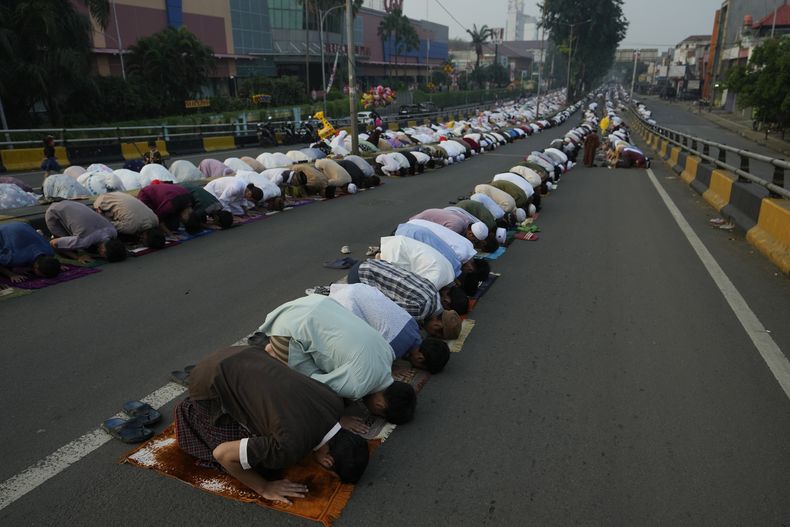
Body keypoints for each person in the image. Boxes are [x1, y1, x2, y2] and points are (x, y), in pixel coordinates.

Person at [175, 346, 370, 504]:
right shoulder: (289, 448)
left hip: (246, 353)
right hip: (208, 380)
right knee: (256, 467)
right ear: (328, 461)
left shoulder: (335, 403)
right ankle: (188, 409)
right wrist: (264, 487)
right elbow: (222, 454)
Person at [258, 295, 417, 423]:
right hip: (287, 329)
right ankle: (275, 352)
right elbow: (314, 386)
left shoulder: (389, 354)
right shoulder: (358, 387)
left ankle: (277, 352)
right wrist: (339, 420)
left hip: (315, 301)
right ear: (380, 405)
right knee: (305, 383)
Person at [328, 283, 452, 373]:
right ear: (420, 358)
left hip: (360, 288)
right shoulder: (393, 351)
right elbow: (373, 365)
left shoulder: (414, 326)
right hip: (345, 303)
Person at [45, 201, 127, 263]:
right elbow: (52, 244)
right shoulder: (84, 241)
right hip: (54, 212)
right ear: (103, 252)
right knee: (67, 245)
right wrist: (77, 257)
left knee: (80, 241)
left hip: (72, 203)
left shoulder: (113, 232)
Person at [377, 235, 455, 290]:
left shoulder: (451, 274)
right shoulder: (434, 282)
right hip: (397, 251)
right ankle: (380, 258)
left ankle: (381, 255)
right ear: (447, 299)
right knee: (390, 277)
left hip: (402, 243)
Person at [93, 192, 166, 248]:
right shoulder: (131, 228)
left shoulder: (155, 219)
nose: (141, 241)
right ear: (144, 237)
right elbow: (108, 225)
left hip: (117, 194)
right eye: (143, 241)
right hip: (102, 201)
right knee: (120, 235)